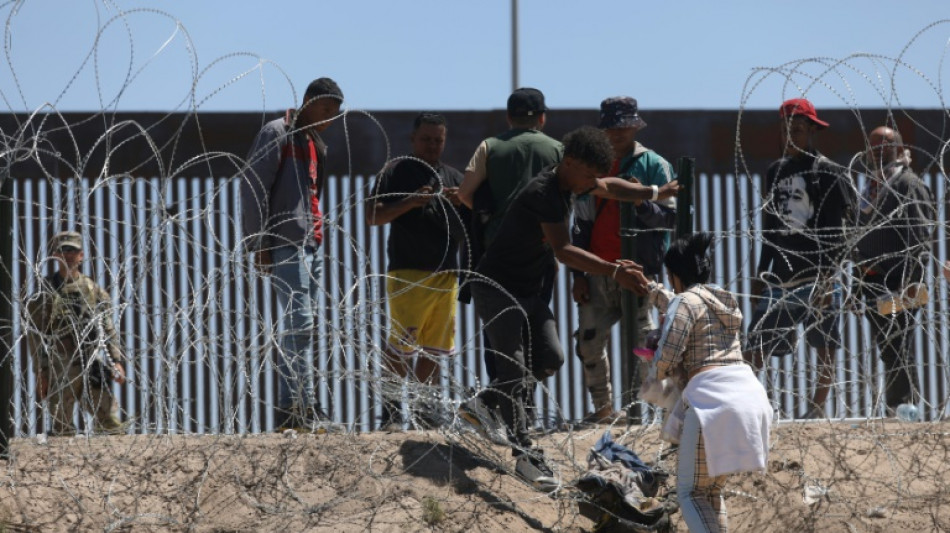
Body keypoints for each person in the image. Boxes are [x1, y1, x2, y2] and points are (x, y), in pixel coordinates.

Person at [458, 126, 679, 491]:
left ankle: (484, 403)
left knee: (550, 359)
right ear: (571, 162)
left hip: (529, 291)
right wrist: (613, 269)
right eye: (589, 174)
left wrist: (654, 191)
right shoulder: (544, 192)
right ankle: (526, 453)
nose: (592, 182)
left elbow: (609, 186)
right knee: (512, 368)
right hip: (497, 287)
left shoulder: (574, 181)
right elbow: (562, 249)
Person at [647, 232, 771, 533]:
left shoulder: (685, 302)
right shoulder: (724, 300)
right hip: (750, 397)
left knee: (689, 493)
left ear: (676, 276)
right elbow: (688, 306)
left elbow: (667, 358)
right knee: (710, 492)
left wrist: (654, 356)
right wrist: (656, 293)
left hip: (711, 402)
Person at [240, 77, 344, 432]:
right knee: (301, 323)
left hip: (310, 243)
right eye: (325, 110)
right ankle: (304, 406)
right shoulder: (277, 133)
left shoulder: (316, 145)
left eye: (334, 114)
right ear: (307, 102)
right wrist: (258, 243)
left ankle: (294, 406)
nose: (329, 118)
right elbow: (254, 186)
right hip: (284, 241)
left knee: (305, 326)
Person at [745, 98, 853, 419]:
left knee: (823, 344)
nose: (791, 136)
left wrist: (829, 276)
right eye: (786, 129)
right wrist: (761, 271)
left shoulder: (827, 172)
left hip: (817, 274)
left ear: (811, 132)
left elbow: (838, 233)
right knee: (758, 342)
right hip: (780, 275)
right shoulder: (775, 171)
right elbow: (770, 226)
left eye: (799, 129)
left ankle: (816, 409)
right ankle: (749, 407)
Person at [571, 96, 676, 424]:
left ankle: (661, 414)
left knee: (646, 348)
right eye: (611, 127)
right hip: (598, 269)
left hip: (638, 273)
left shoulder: (653, 165)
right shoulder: (595, 166)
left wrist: (641, 201)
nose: (617, 133)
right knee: (589, 342)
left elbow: (670, 219)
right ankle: (603, 410)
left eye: (623, 126)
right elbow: (582, 223)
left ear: (635, 126)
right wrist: (579, 274)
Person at [365, 112, 466, 430]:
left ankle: (425, 412)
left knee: (434, 350)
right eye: (426, 139)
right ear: (412, 139)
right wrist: (410, 202)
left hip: (446, 273)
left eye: (438, 140)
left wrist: (461, 203)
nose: (432, 146)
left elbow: (471, 223)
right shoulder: (396, 170)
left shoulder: (454, 177)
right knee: (401, 345)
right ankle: (392, 413)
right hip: (408, 273)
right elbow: (372, 215)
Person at [457, 87, 564, 385]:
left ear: (508, 117)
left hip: (498, 254)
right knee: (536, 330)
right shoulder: (558, 150)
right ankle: (526, 403)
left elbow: (465, 193)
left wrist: (490, 215)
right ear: (542, 118)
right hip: (540, 255)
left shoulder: (490, 146)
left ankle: (502, 399)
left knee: (501, 337)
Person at [853, 126, 935, 414]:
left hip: (899, 283)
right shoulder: (871, 189)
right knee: (888, 346)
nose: (875, 152)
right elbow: (861, 243)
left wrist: (909, 284)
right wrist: (857, 285)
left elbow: (920, 238)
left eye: (883, 146)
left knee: (897, 343)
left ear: (899, 150)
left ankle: (904, 406)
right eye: (872, 146)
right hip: (873, 283)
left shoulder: (907, 184)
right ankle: (899, 407)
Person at [24, 231, 127, 435]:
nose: (68, 255)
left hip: (90, 360)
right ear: (56, 255)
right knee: (62, 427)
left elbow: (108, 328)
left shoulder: (93, 290)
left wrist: (116, 360)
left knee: (110, 422)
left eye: (73, 250)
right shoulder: (46, 291)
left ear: (81, 255)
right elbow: (34, 334)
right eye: (63, 250)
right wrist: (41, 371)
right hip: (61, 364)